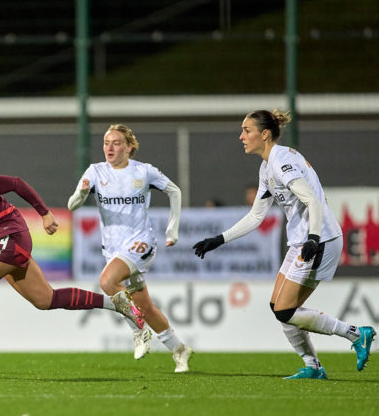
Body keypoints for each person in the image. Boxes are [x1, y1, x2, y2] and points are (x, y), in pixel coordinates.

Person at [0, 150, 146, 374]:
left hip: (10, 236)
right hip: (0, 242)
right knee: (46, 300)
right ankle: (116, 303)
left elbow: (15, 183)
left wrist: (44, 213)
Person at [193, 109, 375, 379]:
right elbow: (256, 215)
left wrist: (313, 237)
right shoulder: (267, 166)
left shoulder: (280, 161)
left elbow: (312, 199)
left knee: (286, 310)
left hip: (319, 240)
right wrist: (220, 239)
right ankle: (312, 367)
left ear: (264, 134)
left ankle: (357, 334)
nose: (241, 136)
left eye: (246, 130)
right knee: (278, 308)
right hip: (303, 240)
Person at [68, 124, 192, 371]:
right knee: (144, 306)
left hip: (140, 241)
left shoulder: (143, 172)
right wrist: (82, 193)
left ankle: (137, 330)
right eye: (106, 143)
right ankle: (179, 349)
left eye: (116, 143)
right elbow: (72, 205)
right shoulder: (95, 171)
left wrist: (172, 230)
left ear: (129, 147)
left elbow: (174, 191)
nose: (109, 148)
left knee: (106, 281)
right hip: (112, 248)